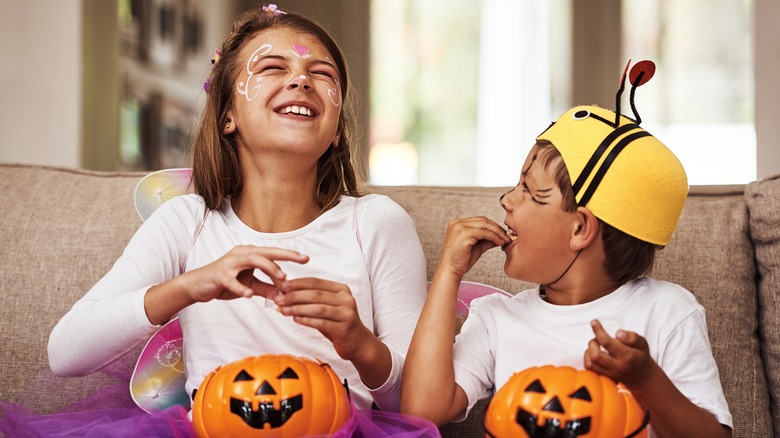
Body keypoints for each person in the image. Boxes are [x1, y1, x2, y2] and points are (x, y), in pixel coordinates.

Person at [47, 4, 427, 418]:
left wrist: (360, 344)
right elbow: (66, 353)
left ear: (336, 130)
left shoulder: (375, 223)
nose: (301, 79)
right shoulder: (187, 223)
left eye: (322, 73)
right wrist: (190, 286)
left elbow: (418, 406)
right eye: (272, 67)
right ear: (228, 115)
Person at [401, 61, 733, 437]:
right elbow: (420, 411)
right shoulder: (496, 319)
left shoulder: (667, 311)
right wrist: (448, 272)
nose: (507, 200)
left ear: (580, 228)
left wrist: (647, 381)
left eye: (530, 191)